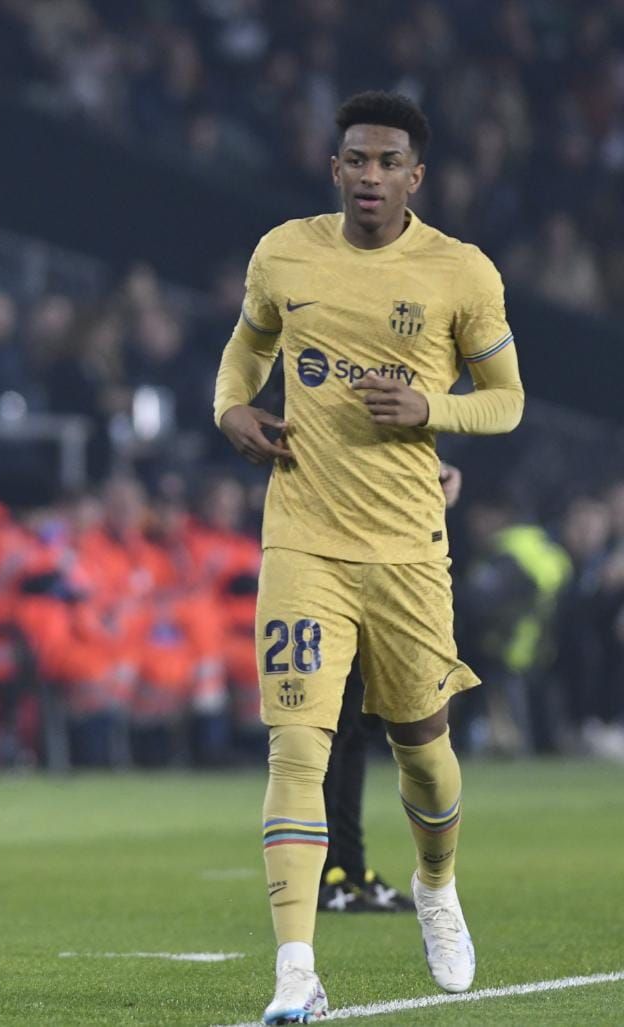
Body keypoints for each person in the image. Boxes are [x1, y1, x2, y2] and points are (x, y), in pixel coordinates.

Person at [214, 91, 523, 1024]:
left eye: (388, 162)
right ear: (335, 168)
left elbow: (505, 399)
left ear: (415, 177)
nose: (370, 177)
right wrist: (231, 407)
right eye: (355, 160)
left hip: (407, 550)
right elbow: (247, 344)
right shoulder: (284, 252)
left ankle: (436, 882)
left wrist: (434, 409)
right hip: (302, 536)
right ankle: (296, 972)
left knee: (421, 748)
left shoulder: (461, 273)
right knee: (297, 744)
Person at [319, 461, 460, 916]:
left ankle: (351, 870)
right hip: (329, 576)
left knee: (353, 731)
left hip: (381, 573)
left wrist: (430, 474)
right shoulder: (321, 402)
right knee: (323, 734)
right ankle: (326, 873)